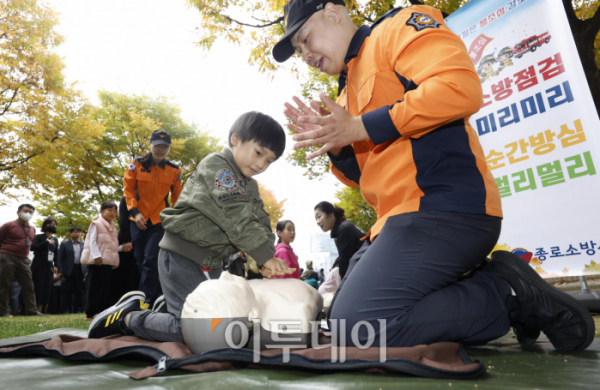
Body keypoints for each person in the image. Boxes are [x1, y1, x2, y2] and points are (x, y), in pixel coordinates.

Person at [276, 0, 593, 351]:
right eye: (297, 49)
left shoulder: (397, 27)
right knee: (340, 322)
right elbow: (366, 174)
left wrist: (358, 126)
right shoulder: (345, 91)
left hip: (445, 206)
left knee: (359, 329)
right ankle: (487, 282)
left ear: (332, 12)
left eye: (304, 38)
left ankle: (509, 296)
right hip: (395, 224)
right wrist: (337, 144)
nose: (303, 53)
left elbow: (459, 87)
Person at [88, 111, 295, 341]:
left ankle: (164, 309)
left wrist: (262, 259)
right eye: (258, 153)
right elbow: (236, 213)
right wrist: (265, 255)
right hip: (181, 255)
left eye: (269, 161)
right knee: (195, 331)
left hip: (212, 263)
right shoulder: (219, 167)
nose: (261, 164)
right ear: (235, 139)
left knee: (222, 322)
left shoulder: (250, 185)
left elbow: (261, 219)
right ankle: (127, 318)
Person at [124, 129, 182, 306]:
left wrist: (175, 218)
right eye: (157, 146)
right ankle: (155, 295)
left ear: (169, 149)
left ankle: (147, 301)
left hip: (159, 221)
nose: (161, 150)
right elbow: (127, 190)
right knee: (141, 260)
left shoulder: (174, 170)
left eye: (165, 147)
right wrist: (135, 213)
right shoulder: (136, 165)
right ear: (151, 145)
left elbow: (178, 197)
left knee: (151, 258)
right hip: (138, 219)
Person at [81, 201, 122, 319]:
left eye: (115, 211)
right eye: (109, 210)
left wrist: (122, 248)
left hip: (108, 262)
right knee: (95, 287)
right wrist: (96, 256)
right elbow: (92, 241)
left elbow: (111, 246)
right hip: (98, 261)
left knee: (105, 288)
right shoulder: (96, 224)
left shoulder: (113, 228)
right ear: (101, 211)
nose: (112, 213)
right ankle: (91, 312)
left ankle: (101, 312)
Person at [0, 204, 40, 316]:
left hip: (24, 259)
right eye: (25, 211)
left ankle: (32, 311)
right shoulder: (9, 225)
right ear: (18, 212)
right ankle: (3, 312)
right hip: (7, 256)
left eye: (31, 212)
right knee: (4, 285)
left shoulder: (32, 229)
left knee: (29, 285)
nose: (28, 213)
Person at [314, 201, 364, 278]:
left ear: (331, 215)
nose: (317, 222)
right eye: (316, 219)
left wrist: (343, 286)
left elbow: (345, 261)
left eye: (319, 216)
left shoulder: (344, 229)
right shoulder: (338, 233)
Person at [107, 197, 140, 306]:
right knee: (126, 273)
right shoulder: (127, 197)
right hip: (129, 240)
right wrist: (126, 240)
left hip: (145, 238)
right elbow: (124, 219)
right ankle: (121, 303)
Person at [30, 218, 59, 314]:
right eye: (50, 224)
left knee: (47, 287)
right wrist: (46, 242)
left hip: (48, 265)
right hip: (38, 265)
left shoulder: (55, 239)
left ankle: (42, 310)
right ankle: (35, 309)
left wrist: (56, 265)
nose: (52, 226)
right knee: (38, 286)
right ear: (45, 225)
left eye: (54, 224)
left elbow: (56, 254)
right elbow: (33, 248)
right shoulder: (39, 237)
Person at [57, 227, 85, 313]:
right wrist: (60, 270)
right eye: (75, 232)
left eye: (79, 232)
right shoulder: (65, 244)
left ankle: (76, 310)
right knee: (66, 291)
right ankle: (65, 310)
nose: (77, 234)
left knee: (78, 291)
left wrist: (86, 270)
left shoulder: (83, 244)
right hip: (68, 270)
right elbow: (60, 258)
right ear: (71, 233)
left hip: (80, 270)